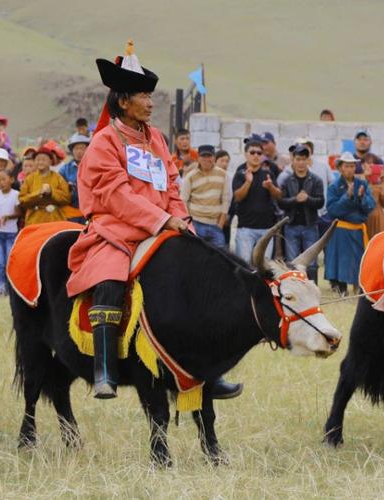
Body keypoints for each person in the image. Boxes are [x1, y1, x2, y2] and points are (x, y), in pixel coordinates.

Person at [66, 42, 240, 400]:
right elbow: (116, 195)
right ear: (123, 101)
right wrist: (161, 220)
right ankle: (104, 370)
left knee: (199, 279)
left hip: (165, 224)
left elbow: (171, 185)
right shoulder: (103, 143)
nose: (150, 102)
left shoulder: (156, 138)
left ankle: (206, 371)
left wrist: (181, 220)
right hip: (115, 229)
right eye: (143, 96)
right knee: (110, 277)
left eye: (149, 95)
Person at [324, 153, 375, 296]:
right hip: (341, 230)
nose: (350, 169)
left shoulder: (362, 184)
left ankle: (359, 288)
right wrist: (347, 197)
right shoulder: (334, 186)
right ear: (340, 168)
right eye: (346, 166)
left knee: (359, 260)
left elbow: (371, 206)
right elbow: (333, 210)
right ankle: (341, 289)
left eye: (352, 166)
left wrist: (361, 197)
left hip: (358, 229)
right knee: (341, 261)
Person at [277, 144, 325, 282]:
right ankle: (294, 289)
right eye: (298, 159)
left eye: (304, 159)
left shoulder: (316, 180)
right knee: (292, 262)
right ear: (293, 160)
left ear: (308, 160)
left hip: (310, 226)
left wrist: (307, 199)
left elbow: (321, 202)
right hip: (291, 226)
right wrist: (295, 199)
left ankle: (312, 288)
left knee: (312, 264)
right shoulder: (286, 180)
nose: (301, 162)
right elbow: (281, 202)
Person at [231, 138, 281, 262]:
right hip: (245, 228)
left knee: (265, 266)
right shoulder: (240, 173)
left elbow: (278, 196)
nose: (256, 155)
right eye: (252, 152)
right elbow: (238, 197)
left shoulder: (268, 174)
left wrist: (271, 187)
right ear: (246, 154)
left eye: (259, 153)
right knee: (245, 265)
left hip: (266, 228)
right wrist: (248, 182)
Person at [180, 145, 229, 248]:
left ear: (214, 157)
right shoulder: (190, 176)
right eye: (203, 156)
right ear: (198, 158)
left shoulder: (223, 175)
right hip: (196, 223)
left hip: (216, 225)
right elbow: (183, 200)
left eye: (209, 156)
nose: (207, 159)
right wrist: (189, 224)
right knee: (196, 254)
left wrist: (220, 224)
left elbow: (226, 199)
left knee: (219, 254)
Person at [18, 147, 71, 225]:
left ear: (50, 161)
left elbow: (66, 198)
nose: (40, 162)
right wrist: (38, 193)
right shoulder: (29, 179)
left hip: (54, 219)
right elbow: (22, 200)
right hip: (34, 219)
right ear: (34, 161)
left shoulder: (58, 178)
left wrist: (52, 192)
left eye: (43, 159)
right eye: (38, 160)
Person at [0, 170, 20, 295]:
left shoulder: (16, 194)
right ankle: (1, 286)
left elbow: (18, 213)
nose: (1, 183)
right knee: (0, 261)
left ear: (11, 180)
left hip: (11, 232)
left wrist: (8, 216)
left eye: (4, 179)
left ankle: (10, 286)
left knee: (9, 261)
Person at [59, 133, 91, 223]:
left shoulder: (93, 166)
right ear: (72, 151)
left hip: (90, 210)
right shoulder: (65, 169)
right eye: (76, 148)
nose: (79, 152)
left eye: (82, 148)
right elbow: (59, 189)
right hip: (71, 213)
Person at [363, 153, 384, 238]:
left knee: (380, 241)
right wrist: (365, 179)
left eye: (374, 163)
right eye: (368, 163)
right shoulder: (359, 179)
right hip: (364, 217)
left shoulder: (380, 181)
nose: (371, 165)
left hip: (379, 217)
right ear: (363, 165)